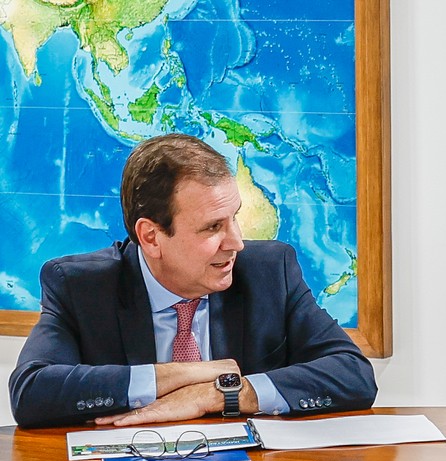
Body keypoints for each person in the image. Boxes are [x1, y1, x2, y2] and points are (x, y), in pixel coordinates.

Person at [10, 133, 377, 428]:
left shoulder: (269, 271)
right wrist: (178, 376)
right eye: (213, 227)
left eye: (234, 217)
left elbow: (353, 373)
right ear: (151, 237)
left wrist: (221, 393)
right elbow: (31, 392)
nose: (236, 242)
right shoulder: (80, 286)